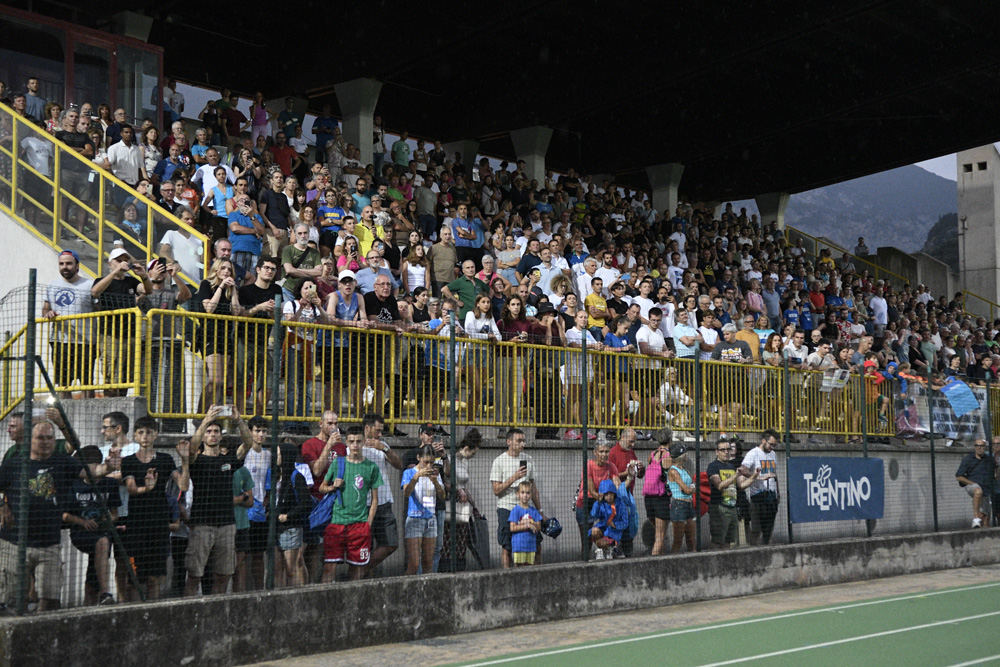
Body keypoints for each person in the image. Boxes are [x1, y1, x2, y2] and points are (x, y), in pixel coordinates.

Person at [0, 422, 114, 612]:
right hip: (14, 542)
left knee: (51, 600)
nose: (45, 442)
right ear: (30, 440)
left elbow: (91, 473)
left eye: (49, 438)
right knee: (12, 600)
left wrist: (108, 468)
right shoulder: (14, 464)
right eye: (40, 438)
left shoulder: (63, 462)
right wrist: (2, 505)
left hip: (49, 543)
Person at [183, 405, 252, 596]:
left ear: (221, 436)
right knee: (194, 576)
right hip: (202, 525)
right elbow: (190, 449)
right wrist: (205, 420)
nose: (213, 435)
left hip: (227, 525)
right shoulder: (196, 461)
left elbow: (248, 444)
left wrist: (239, 420)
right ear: (204, 435)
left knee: (223, 575)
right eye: (209, 432)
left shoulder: (228, 461)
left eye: (216, 432)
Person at [120, 416, 190, 601]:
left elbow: (183, 486)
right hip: (136, 527)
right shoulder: (128, 461)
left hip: (159, 527)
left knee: (154, 578)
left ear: (156, 435)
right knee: (134, 578)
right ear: (135, 435)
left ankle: (153, 613)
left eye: (149, 432)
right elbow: (131, 488)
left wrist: (185, 460)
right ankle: (134, 614)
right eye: (141, 432)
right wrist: (147, 488)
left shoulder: (166, 460)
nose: (145, 436)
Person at [318, 425, 382, 582]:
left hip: (359, 526)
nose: (355, 445)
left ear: (364, 442)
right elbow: (321, 488)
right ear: (346, 442)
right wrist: (333, 486)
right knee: (329, 567)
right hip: (336, 523)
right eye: (352, 441)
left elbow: (375, 499)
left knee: (358, 569)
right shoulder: (338, 463)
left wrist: (368, 524)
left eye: (358, 441)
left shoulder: (371, 467)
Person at [63, 445, 121, 606]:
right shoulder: (74, 485)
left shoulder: (110, 484)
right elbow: (64, 514)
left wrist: (107, 519)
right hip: (81, 533)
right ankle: (106, 592)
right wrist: (83, 522)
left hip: (102, 532)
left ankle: (92, 603)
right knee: (102, 542)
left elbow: (115, 514)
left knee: (92, 577)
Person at [91, 248, 151, 397]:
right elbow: (95, 292)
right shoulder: (102, 280)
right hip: (110, 333)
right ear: (110, 263)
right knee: (110, 370)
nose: (122, 263)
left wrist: (144, 275)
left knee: (126, 371)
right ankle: (110, 402)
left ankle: (121, 400)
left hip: (129, 333)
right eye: (118, 260)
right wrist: (114, 272)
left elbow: (147, 290)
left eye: (125, 260)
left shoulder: (130, 281)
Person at [43, 250, 96, 398]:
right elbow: (45, 309)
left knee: (87, 382)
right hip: (60, 341)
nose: (64, 267)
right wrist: (48, 313)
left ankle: (88, 415)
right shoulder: (52, 285)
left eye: (68, 263)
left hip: (85, 341)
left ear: (77, 265)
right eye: (61, 264)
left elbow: (98, 309)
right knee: (63, 383)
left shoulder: (89, 285)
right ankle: (64, 416)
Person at [489, 429, 544, 569]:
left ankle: (537, 574)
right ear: (509, 442)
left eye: (523, 441)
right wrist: (515, 477)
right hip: (507, 507)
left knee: (536, 543)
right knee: (507, 546)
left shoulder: (528, 459)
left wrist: (540, 510)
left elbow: (533, 488)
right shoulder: (499, 461)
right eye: (519, 441)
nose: (522, 444)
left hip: (526, 508)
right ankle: (507, 576)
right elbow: (496, 490)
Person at [360, 414, 403, 576]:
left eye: (381, 431)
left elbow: (399, 464)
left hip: (384, 502)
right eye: (377, 430)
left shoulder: (383, 445)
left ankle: (361, 570)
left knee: (391, 543)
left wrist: (384, 448)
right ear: (367, 428)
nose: (380, 434)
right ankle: (362, 574)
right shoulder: (355, 446)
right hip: (364, 504)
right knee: (365, 546)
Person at [401, 444, 445, 575]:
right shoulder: (409, 472)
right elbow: (406, 493)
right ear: (418, 458)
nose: (429, 466)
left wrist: (436, 482)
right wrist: (417, 477)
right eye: (426, 462)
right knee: (414, 563)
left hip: (431, 518)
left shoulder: (435, 473)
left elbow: (442, 496)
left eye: (432, 462)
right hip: (415, 518)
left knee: (428, 561)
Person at [707, 437, 757, 549]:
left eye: (728, 449)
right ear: (717, 452)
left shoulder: (731, 466)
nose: (726, 452)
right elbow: (719, 485)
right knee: (717, 540)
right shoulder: (713, 466)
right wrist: (735, 475)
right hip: (719, 508)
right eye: (723, 449)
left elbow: (741, 486)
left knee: (728, 541)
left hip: (732, 507)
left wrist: (754, 477)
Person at [575, 441, 619, 559]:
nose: (604, 454)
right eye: (601, 451)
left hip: (602, 503)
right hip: (586, 502)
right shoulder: (588, 465)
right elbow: (590, 488)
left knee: (607, 531)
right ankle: (585, 561)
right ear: (595, 452)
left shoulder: (611, 466)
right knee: (586, 539)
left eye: (606, 451)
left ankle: (606, 551)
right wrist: (602, 497)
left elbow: (617, 484)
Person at [738, 429, 781, 545]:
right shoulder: (753, 453)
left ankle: (767, 550)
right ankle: (753, 551)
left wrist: (778, 493)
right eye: (770, 444)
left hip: (771, 495)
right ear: (763, 440)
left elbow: (774, 474)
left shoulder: (773, 454)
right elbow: (742, 470)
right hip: (758, 495)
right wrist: (757, 477)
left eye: (774, 445)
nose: (772, 447)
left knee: (769, 530)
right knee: (756, 530)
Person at [955, 439, 996, 528]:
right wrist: (972, 483)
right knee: (977, 491)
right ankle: (975, 518)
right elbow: (959, 476)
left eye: (981, 446)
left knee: (986, 518)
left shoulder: (990, 460)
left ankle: (985, 538)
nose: (979, 448)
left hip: (986, 489)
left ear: (985, 447)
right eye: (977, 445)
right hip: (972, 485)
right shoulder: (968, 459)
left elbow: (995, 474)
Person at [589, 479, 629, 560]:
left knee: (606, 540)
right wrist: (598, 502)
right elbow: (593, 514)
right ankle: (601, 550)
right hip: (603, 528)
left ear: (614, 493)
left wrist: (615, 525)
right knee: (594, 531)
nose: (609, 496)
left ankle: (612, 548)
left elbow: (625, 522)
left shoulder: (620, 504)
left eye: (611, 493)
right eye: (606, 494)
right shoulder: (601, 504)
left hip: (614, 531)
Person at [667, 444, 696, 553]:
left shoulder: (684, 469)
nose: (687, 455)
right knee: (678, 540)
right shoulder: (673, 471)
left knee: (691, 539)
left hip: (688, 504)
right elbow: (688, 490)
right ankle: (672, 563)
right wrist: (690, 488)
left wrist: (690, 488)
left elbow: (690, 486)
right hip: (679, 505)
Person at [508, 481, 543, 567]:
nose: (525, 495)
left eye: (528, 493)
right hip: (519, 545)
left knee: (530, 568)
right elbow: (512, 528)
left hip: (531, 546)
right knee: (519, 568)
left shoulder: (533, 511)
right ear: (518, 494)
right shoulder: (515, 510)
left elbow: (539, 527)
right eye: (522, 492)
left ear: (531, 495)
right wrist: (526, 526)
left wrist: (532, 523)